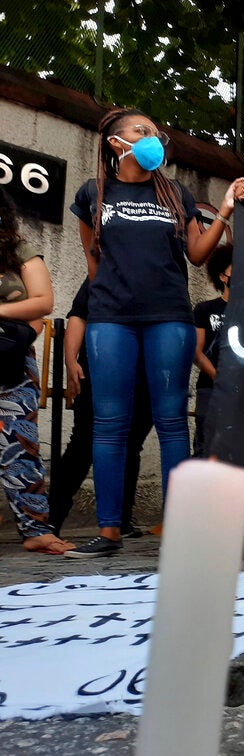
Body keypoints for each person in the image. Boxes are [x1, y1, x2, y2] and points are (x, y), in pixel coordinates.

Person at [65, 107, 244, 558]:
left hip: (169, 317)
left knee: (171, 424)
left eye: (156, 132)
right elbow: (94, 264)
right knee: (108, 426)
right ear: (115, 142)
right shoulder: (93, 193)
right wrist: (107, 302)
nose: (153, 138)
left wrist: (223, 210)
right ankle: (108, 532)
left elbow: (199, 255)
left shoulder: (176, 194)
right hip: (111, 321)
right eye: (142, 131)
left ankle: (182, 530)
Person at [0, 190, 75, 554]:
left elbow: (43, 302)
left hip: (10, 360)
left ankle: (35, 530)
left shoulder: (19, 252)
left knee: (21, 445)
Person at [47, 280, 152, 536]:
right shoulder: (103, 272)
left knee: (131, 445)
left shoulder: (162, 267)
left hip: (143, 375)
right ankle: (51, 517)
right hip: (98, 370)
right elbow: (78, 316)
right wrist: (71, 361)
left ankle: (121, 521)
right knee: (83, 443)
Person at [192, 244, 232, 457]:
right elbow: (196, 352)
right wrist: (218, 378)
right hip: (210, 389)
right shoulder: (205, 310)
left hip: (241, 392)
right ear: (222, 276)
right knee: (205, 448)